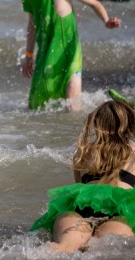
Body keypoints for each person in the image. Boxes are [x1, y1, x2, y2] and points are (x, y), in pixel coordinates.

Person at [20, 0, 121, 111]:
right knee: (36, 104)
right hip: (47, 50)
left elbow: (93, 2)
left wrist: (106, 20)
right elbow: (31, 25)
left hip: (69, 48)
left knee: (72, 106)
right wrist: (29, 55)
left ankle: (77, 132)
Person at [30, 100, 135, 253]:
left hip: (80, 209)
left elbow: (79, 188)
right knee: (109, 252)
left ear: (96, 124)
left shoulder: (82, 153)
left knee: (62, 248)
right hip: (123, 211)